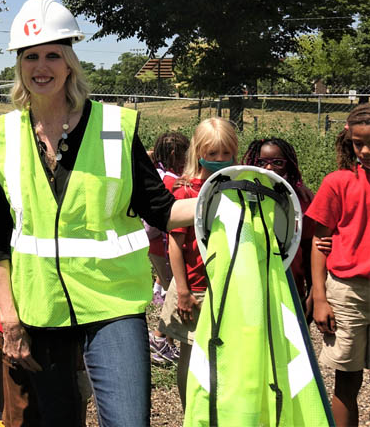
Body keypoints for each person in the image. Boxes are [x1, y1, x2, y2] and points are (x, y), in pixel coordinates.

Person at [0, 0, 198, 426]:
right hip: (41, 308)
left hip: (112, 302)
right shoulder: (0, 135)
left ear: (70, 63)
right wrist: (9, 314)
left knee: (128, 420)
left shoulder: (116, 127)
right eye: (31, 57)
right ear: (19, 65)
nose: (41, 66)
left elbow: (161, 209)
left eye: (52, 55)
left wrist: (223, 200)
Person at [158, 117, 238, 407]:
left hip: (227, 287)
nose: (219, 159)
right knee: (191, 356)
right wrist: (182, 291)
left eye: (225, 153)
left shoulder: (237, 188)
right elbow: (175, 246)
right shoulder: (186, 192)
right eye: (212, 153)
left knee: (225, 355)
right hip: (195, 288)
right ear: (198, 152)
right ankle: (191, 412)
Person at [309, 103, 370, 427]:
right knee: (348, 383)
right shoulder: (338, 182)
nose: (366, 150)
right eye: (359, 143)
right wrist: (319, 298)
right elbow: (320, 241)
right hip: (348, 293)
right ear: (349, 140)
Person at [241, 137, 330, 309]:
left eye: (277, 162)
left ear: (288, 165)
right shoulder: (242, 195)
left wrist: (313, 290)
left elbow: (309, 247)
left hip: (291, 285)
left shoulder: (301, 200)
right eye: (261, 162)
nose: (268, 168)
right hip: (251, 285)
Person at [146, 131, 189, 366]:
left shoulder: (160, 175)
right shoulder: (172, 181)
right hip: (163, 248)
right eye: (186, 154)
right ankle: (160, 339)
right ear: (175, 154)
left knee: (172, 291)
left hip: (156, 247)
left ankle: (164, 341)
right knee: (175, 292)